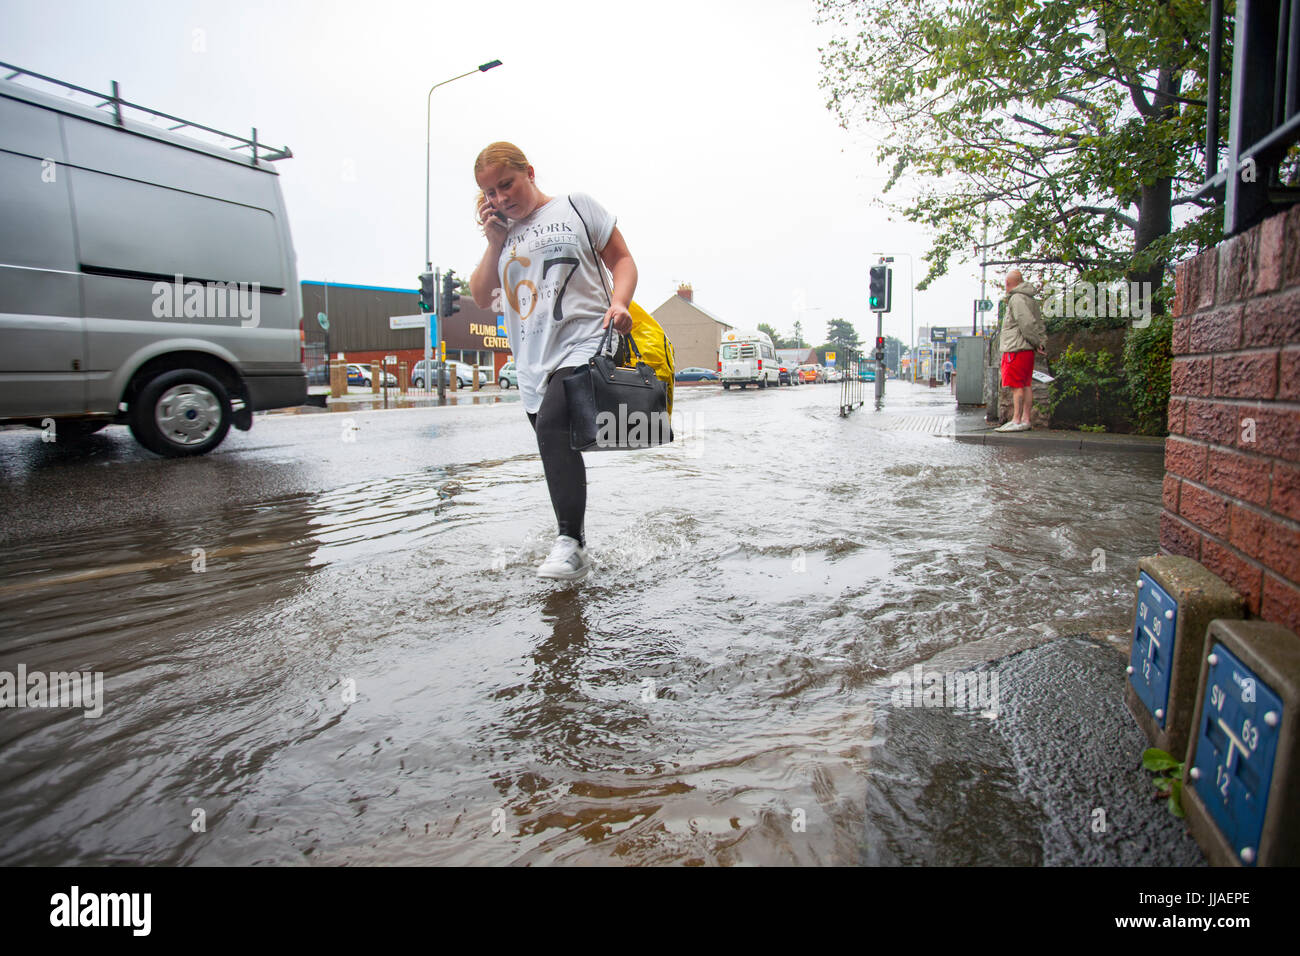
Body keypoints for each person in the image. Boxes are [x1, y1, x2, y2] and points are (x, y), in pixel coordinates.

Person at [468, 142, 637, 581]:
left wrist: (619, 303)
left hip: (587, 340)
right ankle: (577, 545)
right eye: (490, 193)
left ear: (529, 172)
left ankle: (566, 542)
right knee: (555, 446)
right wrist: (494, 243)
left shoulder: (575, 207)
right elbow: (481, 295)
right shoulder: (501, 237)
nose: (501, 198)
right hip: (531, 364)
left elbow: (621, 258)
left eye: (507, 184)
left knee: (551, 426)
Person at [996, 269, 1047, 432]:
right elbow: (1038, 323)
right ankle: (1025, 419)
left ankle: (1016, 419)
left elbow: (1026, 324)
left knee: (1016, 386)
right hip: (1026, 350)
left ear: (1009, 284)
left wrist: (1035, 341)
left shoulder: (1016, 299)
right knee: (1026, 385)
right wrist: (1040, 342)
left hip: (1016, 348)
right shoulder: (1030, 299)